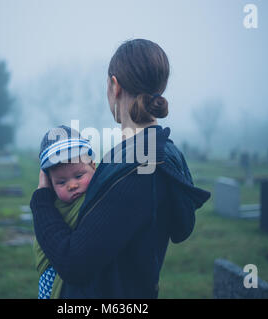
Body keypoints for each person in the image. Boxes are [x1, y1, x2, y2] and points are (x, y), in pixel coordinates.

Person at [30, 39, 211, 298]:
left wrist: (41, 201)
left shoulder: (139, 169)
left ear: (114, 86)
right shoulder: (154, 152)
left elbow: (75, 264)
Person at [33, 125, 96, 299]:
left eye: (79, 176)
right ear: (49, 184)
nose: (72, 185)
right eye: (61, 182)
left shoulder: (98, 199)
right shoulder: (51, 207)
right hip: (52, 276)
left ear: (93, 166)